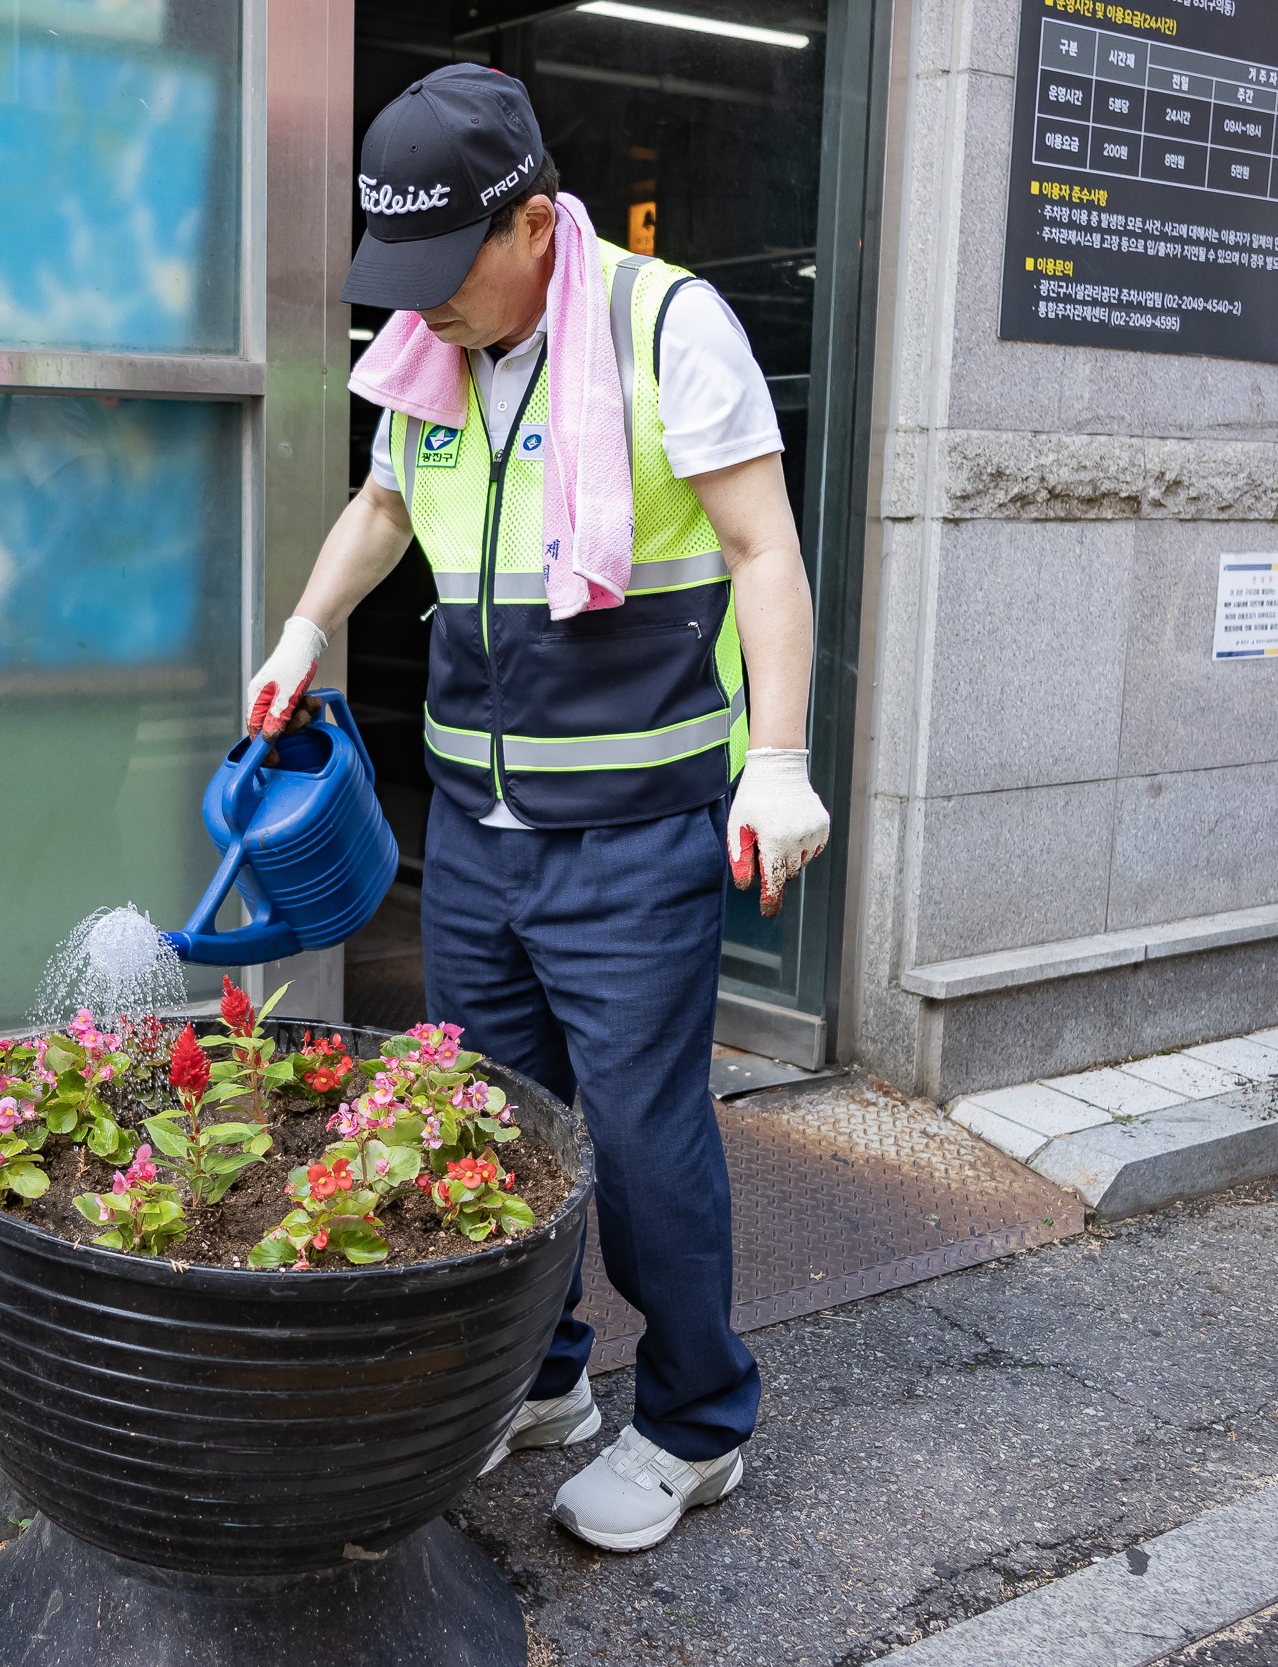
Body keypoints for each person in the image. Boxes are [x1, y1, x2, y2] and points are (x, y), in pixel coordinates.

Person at [247, 66, 831, 1553]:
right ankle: (544, 1374)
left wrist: (780, 759)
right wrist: (303, 636)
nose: (419, 308)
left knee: (640, 1143)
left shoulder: (662, 324)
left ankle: (698, 1422)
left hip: (634, 836)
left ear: (529, 223)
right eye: (401, 281)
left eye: (443, 273)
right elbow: (385, 506)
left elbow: (763, 545)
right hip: (476, 837)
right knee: (494, 1130)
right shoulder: (437, 352)